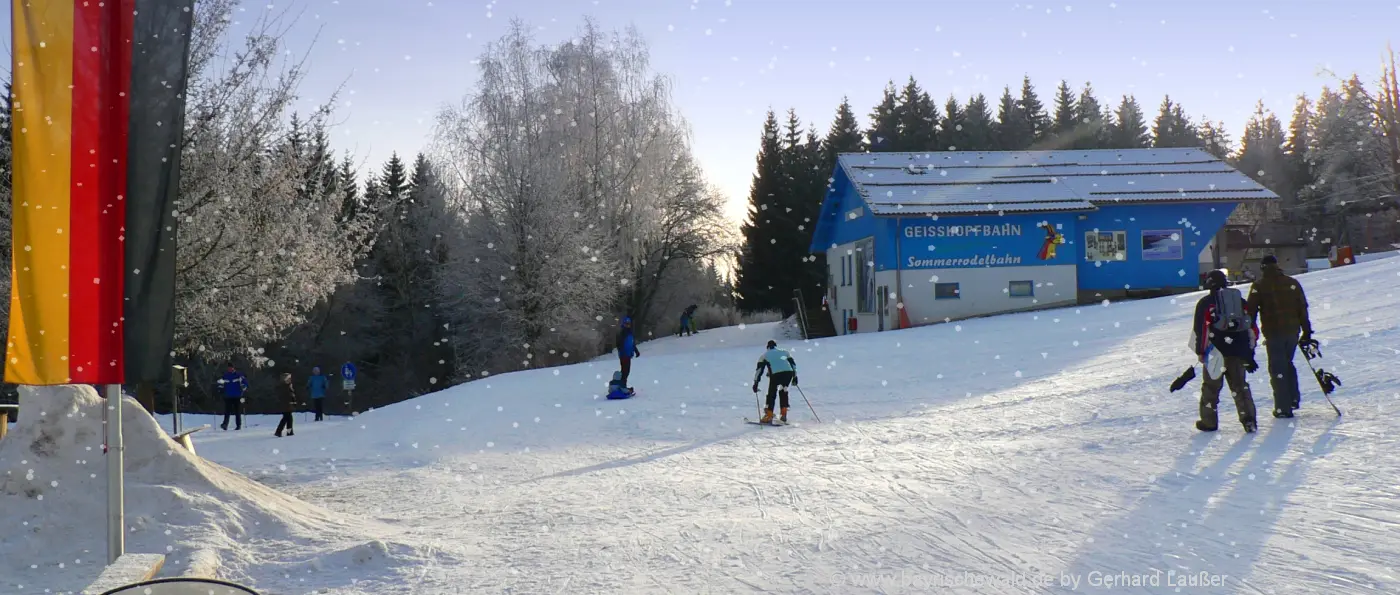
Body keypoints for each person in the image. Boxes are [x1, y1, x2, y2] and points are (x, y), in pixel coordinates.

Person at [1189, 270, 1260, 433]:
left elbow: (1201, 329)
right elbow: (1251, 327)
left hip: (1214, 352)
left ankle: (1209, 422)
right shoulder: (1239, 301)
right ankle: (1249, 420)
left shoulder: (1206, 303)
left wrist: (1201, 351)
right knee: (1240, 387)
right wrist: (1249, 351)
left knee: (1211, 389)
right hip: (1238, 351)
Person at [1246, 254, 1316, 418]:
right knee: (1287, 363)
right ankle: (1292, 398)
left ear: (1263, 267)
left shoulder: (1259, 285)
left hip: (1274, 332)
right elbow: (1302, 309)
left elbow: (1250, 313)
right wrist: (1306, 331)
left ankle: (1283, 407)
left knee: (1277, 369)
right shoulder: (1292, 283)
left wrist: (1250, 334)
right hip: (1293, 332)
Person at [752, 340, 798, 424]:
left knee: (771, 394)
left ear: (767, 348)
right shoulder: (784, 352)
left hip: (776, 375)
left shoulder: (765, 355)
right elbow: (793, 364)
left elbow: (759, 370)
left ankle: (769, 415)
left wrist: (756, 383)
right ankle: (783, 414)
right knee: (783, 391)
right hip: (788, 373)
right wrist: (795, 377)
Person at [218, 363, 248, 431]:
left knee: (237, 411)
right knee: (227, 412)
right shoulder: (225, 375)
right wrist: (220, 388)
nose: (230, 369)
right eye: (228, 368)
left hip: (237, 396)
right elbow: (221, 383)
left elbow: (245, 382)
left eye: (231, 368)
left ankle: (238, 425)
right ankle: (225, 425)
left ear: (233, 368)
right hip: (228, 396)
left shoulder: (238, 375)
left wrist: (244, 387)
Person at [616, 316, 641, 388]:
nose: (628, 325)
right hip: (624, 355)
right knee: (625, 371)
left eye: (629, 324)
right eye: (626, 324)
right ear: (623, 324)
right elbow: (619, 343)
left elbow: (631, 343)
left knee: (626, 371)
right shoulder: (623, 332)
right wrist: (621, 350)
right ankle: (622, 386)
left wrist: (636, 351)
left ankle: (622, 385)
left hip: (628, 355)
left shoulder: (630, 333)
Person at [274, 372, 298, 437]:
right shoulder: (284, 387)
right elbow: (288, 396)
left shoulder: (289, 386)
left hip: (288, 405)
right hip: (286, 405)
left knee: (288, 418)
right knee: (287, 418)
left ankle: (287, 432)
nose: (290, 380)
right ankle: (280, 431)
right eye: (288, 378)